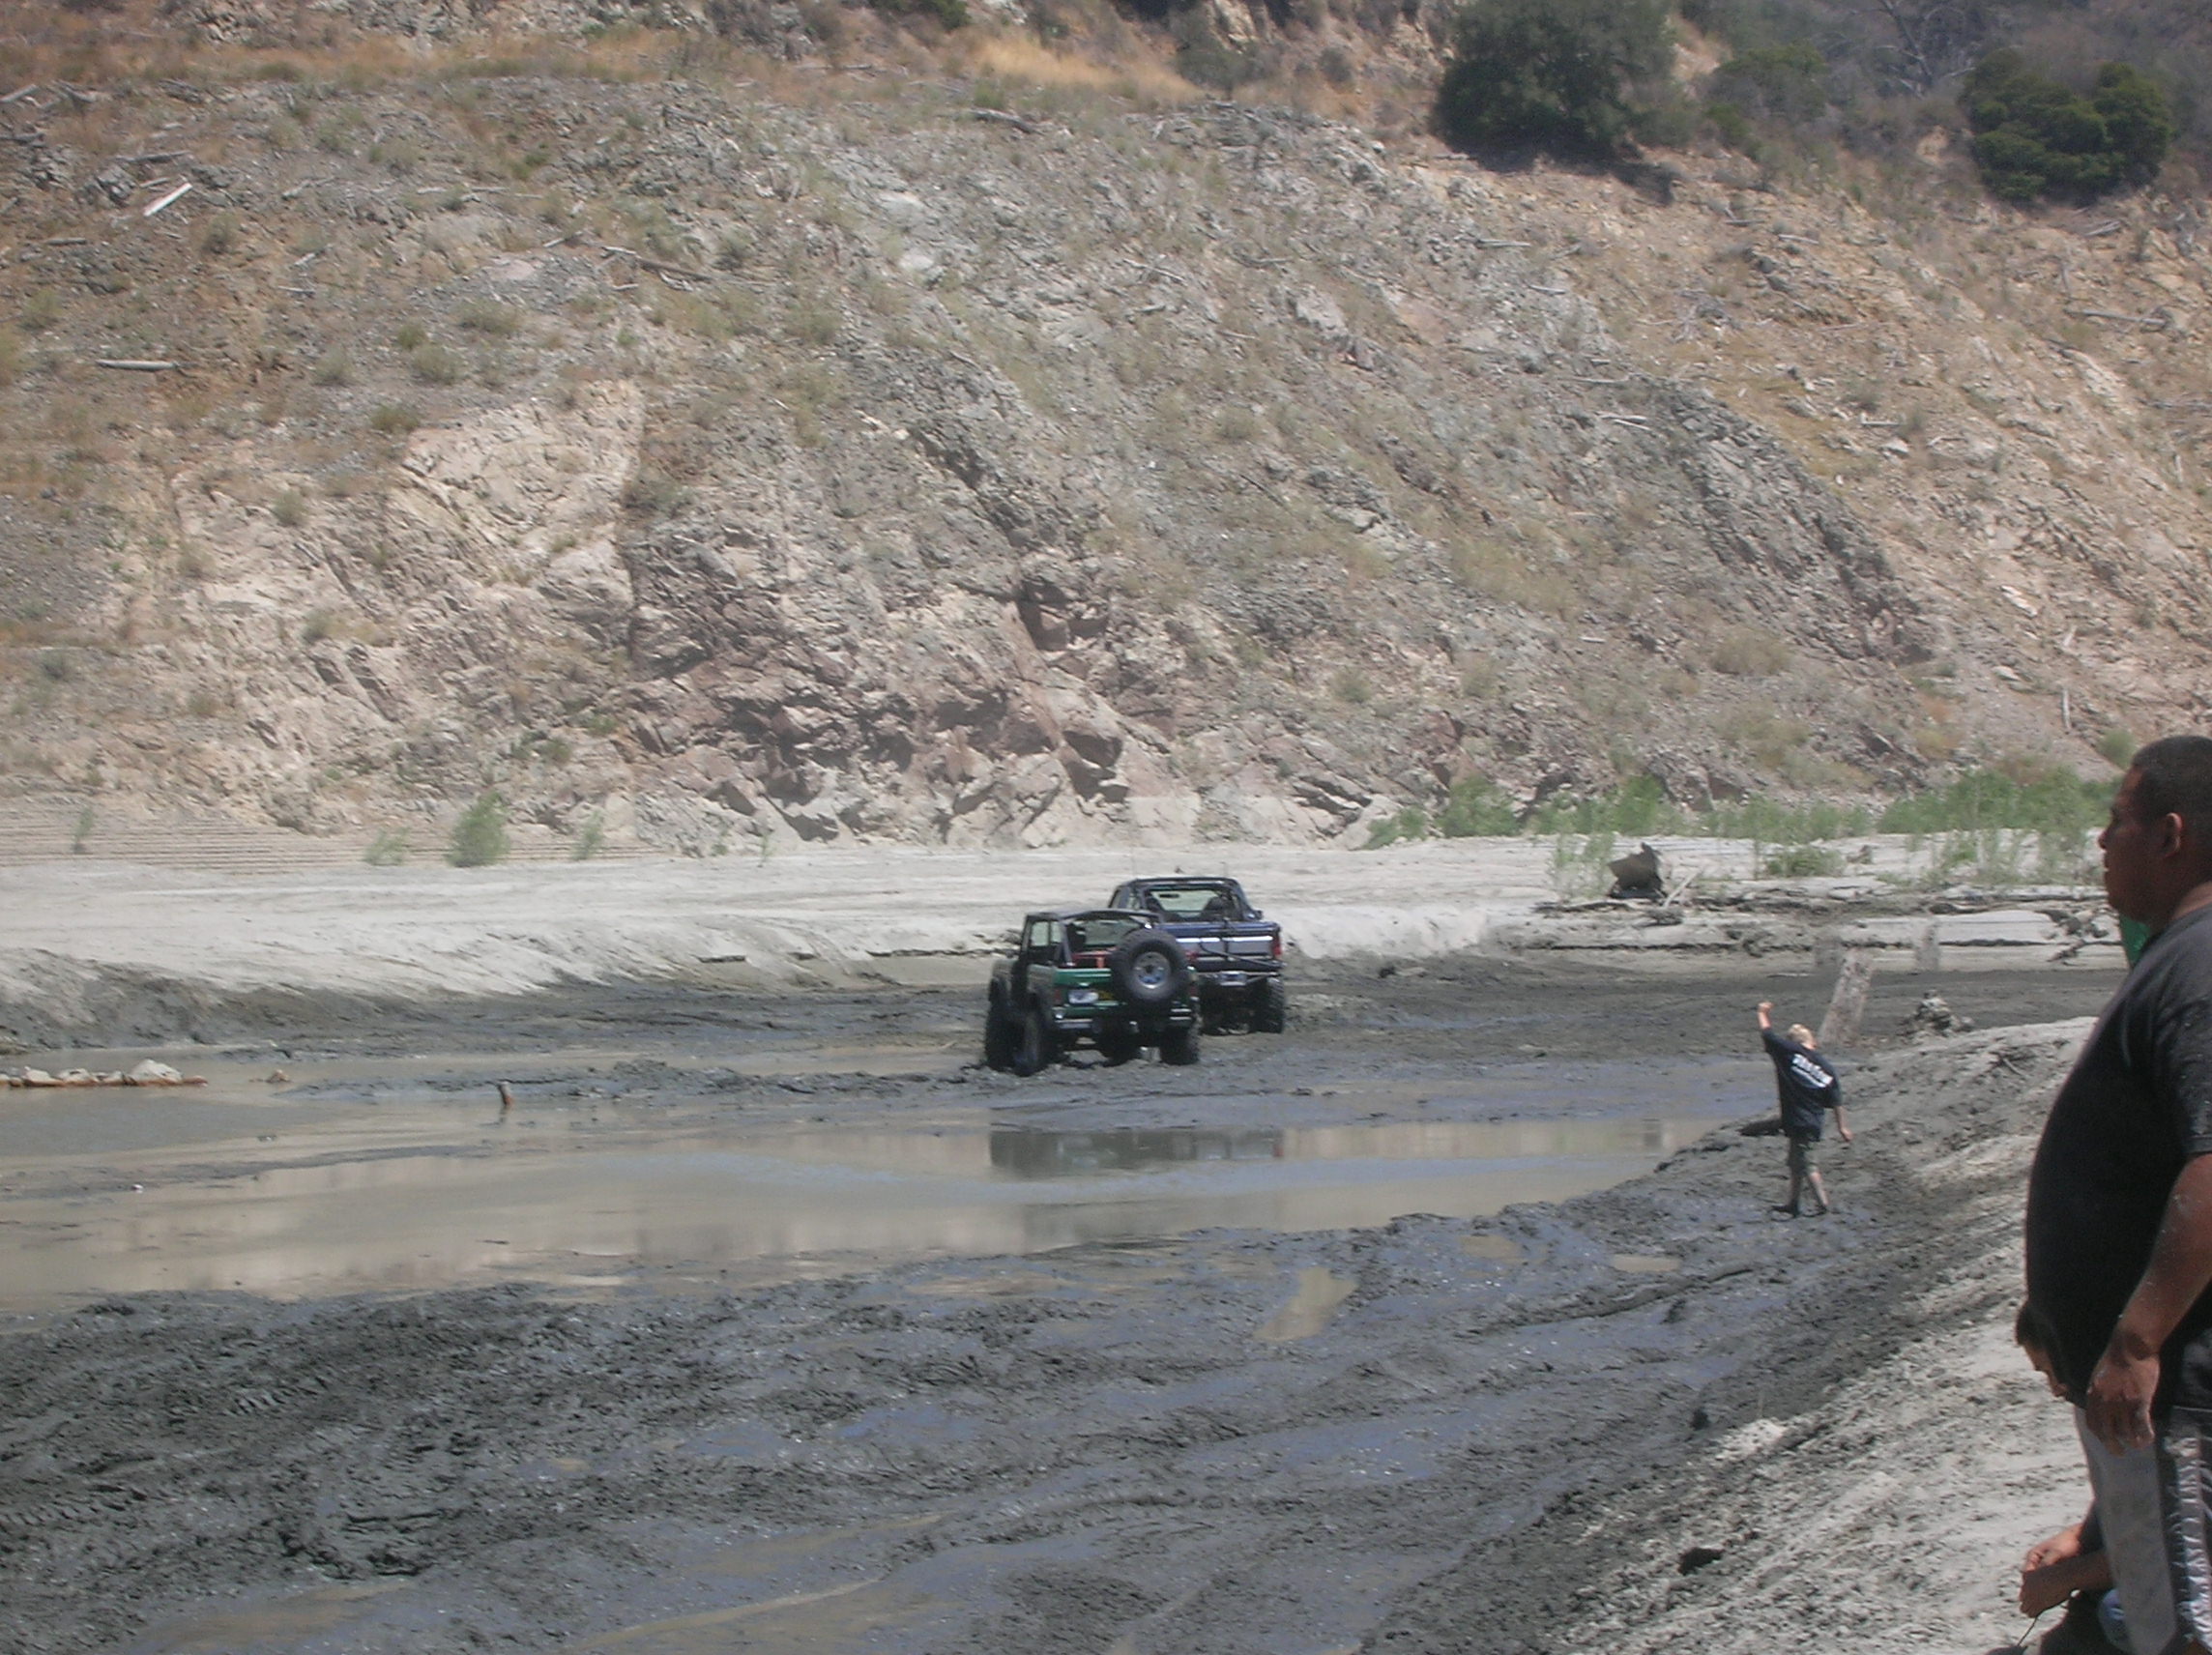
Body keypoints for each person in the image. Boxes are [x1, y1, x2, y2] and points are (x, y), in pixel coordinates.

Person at [2025, 735, 2212, 1655]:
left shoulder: (2200, 969)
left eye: (2117, 821)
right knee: (2151, 1613)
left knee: (2179, 1630)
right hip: (2145, 1393)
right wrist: (2056, 1309)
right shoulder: (2178, 959)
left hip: (2171, 1392)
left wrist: (2136, 1340)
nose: (2102, 842)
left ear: (2170, 835)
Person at [1756, 1001, 1851, 1215]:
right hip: (1812, 1120)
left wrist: (1762, 1012)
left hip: (1799, 1120)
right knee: (1796, 1164)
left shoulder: (1789, 1052)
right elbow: (1836, 1100)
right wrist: (1842, 1127)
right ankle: (1793, 1203)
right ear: (1811, 1041)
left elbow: (1767, 1034)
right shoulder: (1825, 1067)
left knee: (1808, 1165)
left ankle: (1823, 1204)